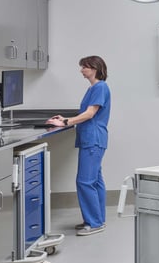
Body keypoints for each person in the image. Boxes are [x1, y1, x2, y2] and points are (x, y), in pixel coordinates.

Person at [47, 56, 111, 236]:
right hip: (92, 139)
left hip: (94, 140)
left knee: (85, 181)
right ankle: (97, 219)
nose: (81, 70)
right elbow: (85, 113)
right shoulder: (93, 88)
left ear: (95, 68)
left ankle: (95, 222)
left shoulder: (100, 87)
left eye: (84, 66)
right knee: (95, 180)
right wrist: (64, 118)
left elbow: (90, 114)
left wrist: (66, 121)